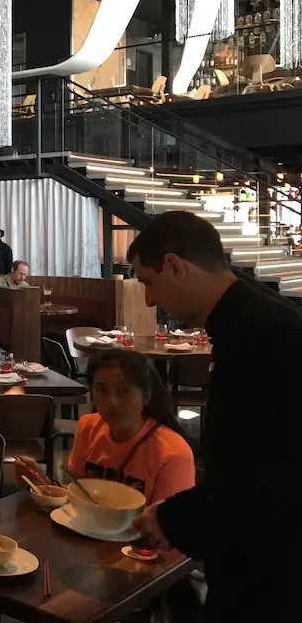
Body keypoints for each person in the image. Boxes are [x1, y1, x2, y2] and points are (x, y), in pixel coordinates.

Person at [125, 211, 302, 622]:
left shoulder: (259, 335)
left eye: (148, 282)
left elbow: (260, 476)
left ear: (175, 266)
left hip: (274, 570)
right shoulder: (256, 317)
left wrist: (171, 518)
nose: (149, 300)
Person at [16, 350, 195, 505]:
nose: (112, 402)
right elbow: (79, 496)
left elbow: (170, 528)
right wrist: (42, 483)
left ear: (146, 395)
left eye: (123, 391)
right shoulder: (88, 427)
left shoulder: (173, 454)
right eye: (102, 390)